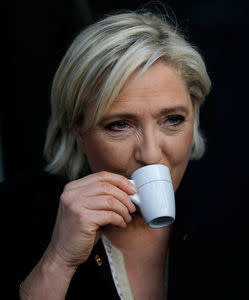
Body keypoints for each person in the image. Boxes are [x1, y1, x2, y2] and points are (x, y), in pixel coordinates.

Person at [3, 9, 211, 300]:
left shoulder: (237, 211)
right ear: (79, 131)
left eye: (173, 120)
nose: (150, 154)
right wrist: (59, 261)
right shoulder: (15, 216)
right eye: (120, 125)